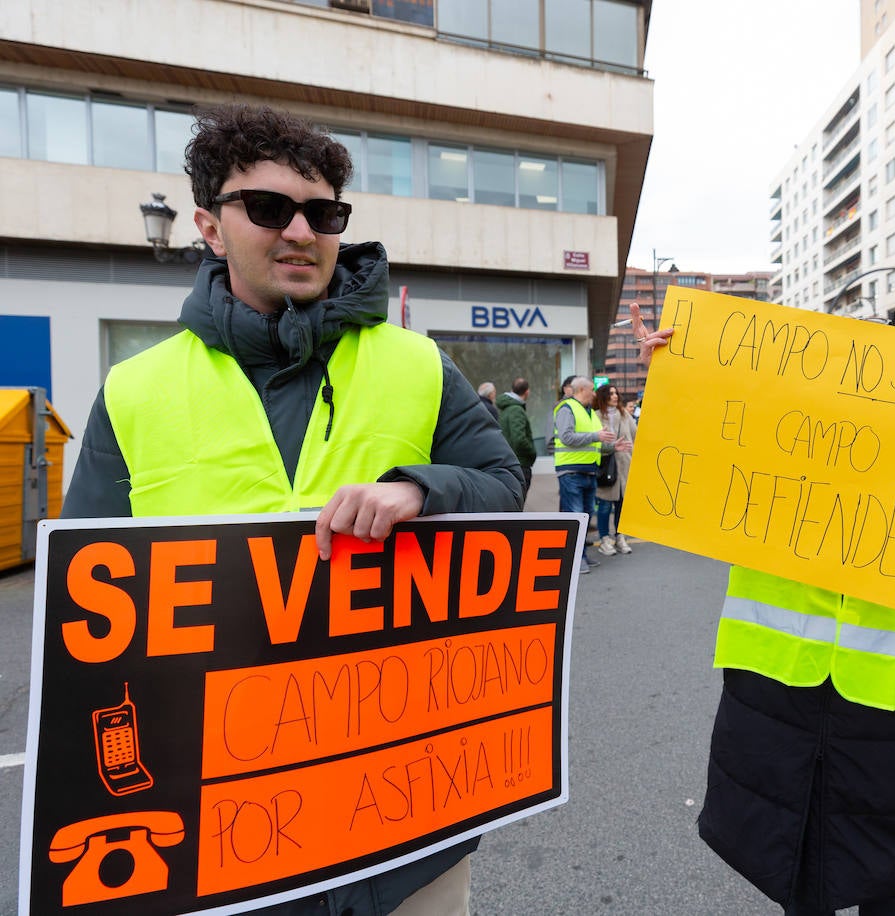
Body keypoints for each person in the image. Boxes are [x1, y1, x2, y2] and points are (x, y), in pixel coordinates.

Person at [62, 103, 523, 916]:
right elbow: (86, 598)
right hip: (219, 816)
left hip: (407, 812)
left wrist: (421, 487)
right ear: (208, 226)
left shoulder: (417, 364)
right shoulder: (135, 390)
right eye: (269, 209)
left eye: (324, 213)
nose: (301, 231)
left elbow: (503, 483)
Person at [629, 302, 895, 916]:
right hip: (774, 684)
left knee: (887, 858)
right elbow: (697, 461)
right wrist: (674, 378)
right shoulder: (779, 430)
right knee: (790, 850)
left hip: (884, 696)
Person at [552, 375, 615, 574]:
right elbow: (567, 437)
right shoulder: (566, 408)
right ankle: (575, 560)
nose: (594, 394)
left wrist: (614, 446)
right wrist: (597, 436)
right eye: (591, 390)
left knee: (585, 518)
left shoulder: (588, 412)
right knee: (575, 518)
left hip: (588, 471)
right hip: (571, 472)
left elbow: (596, 443)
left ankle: (582, 557)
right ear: (581, 390)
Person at [592, 383, 635, 556]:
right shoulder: (595, 416)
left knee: (621, 505)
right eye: (610, 394)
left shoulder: (624, 414)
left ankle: (620, 536)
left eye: (616, 393)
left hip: (624, 465)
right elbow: (593, 442)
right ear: (603, 397)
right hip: (605, 466)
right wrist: (610, 447)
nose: (615, 396)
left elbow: (636, 434)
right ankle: (604, 539)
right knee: (603, 505)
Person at [496, 377, 537, 501]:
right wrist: (532, 452)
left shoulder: (508, 408)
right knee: (518, 505)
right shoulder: (516, 410)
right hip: (520, 463)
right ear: (527, 392)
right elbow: (519, 439)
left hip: (510, 462)